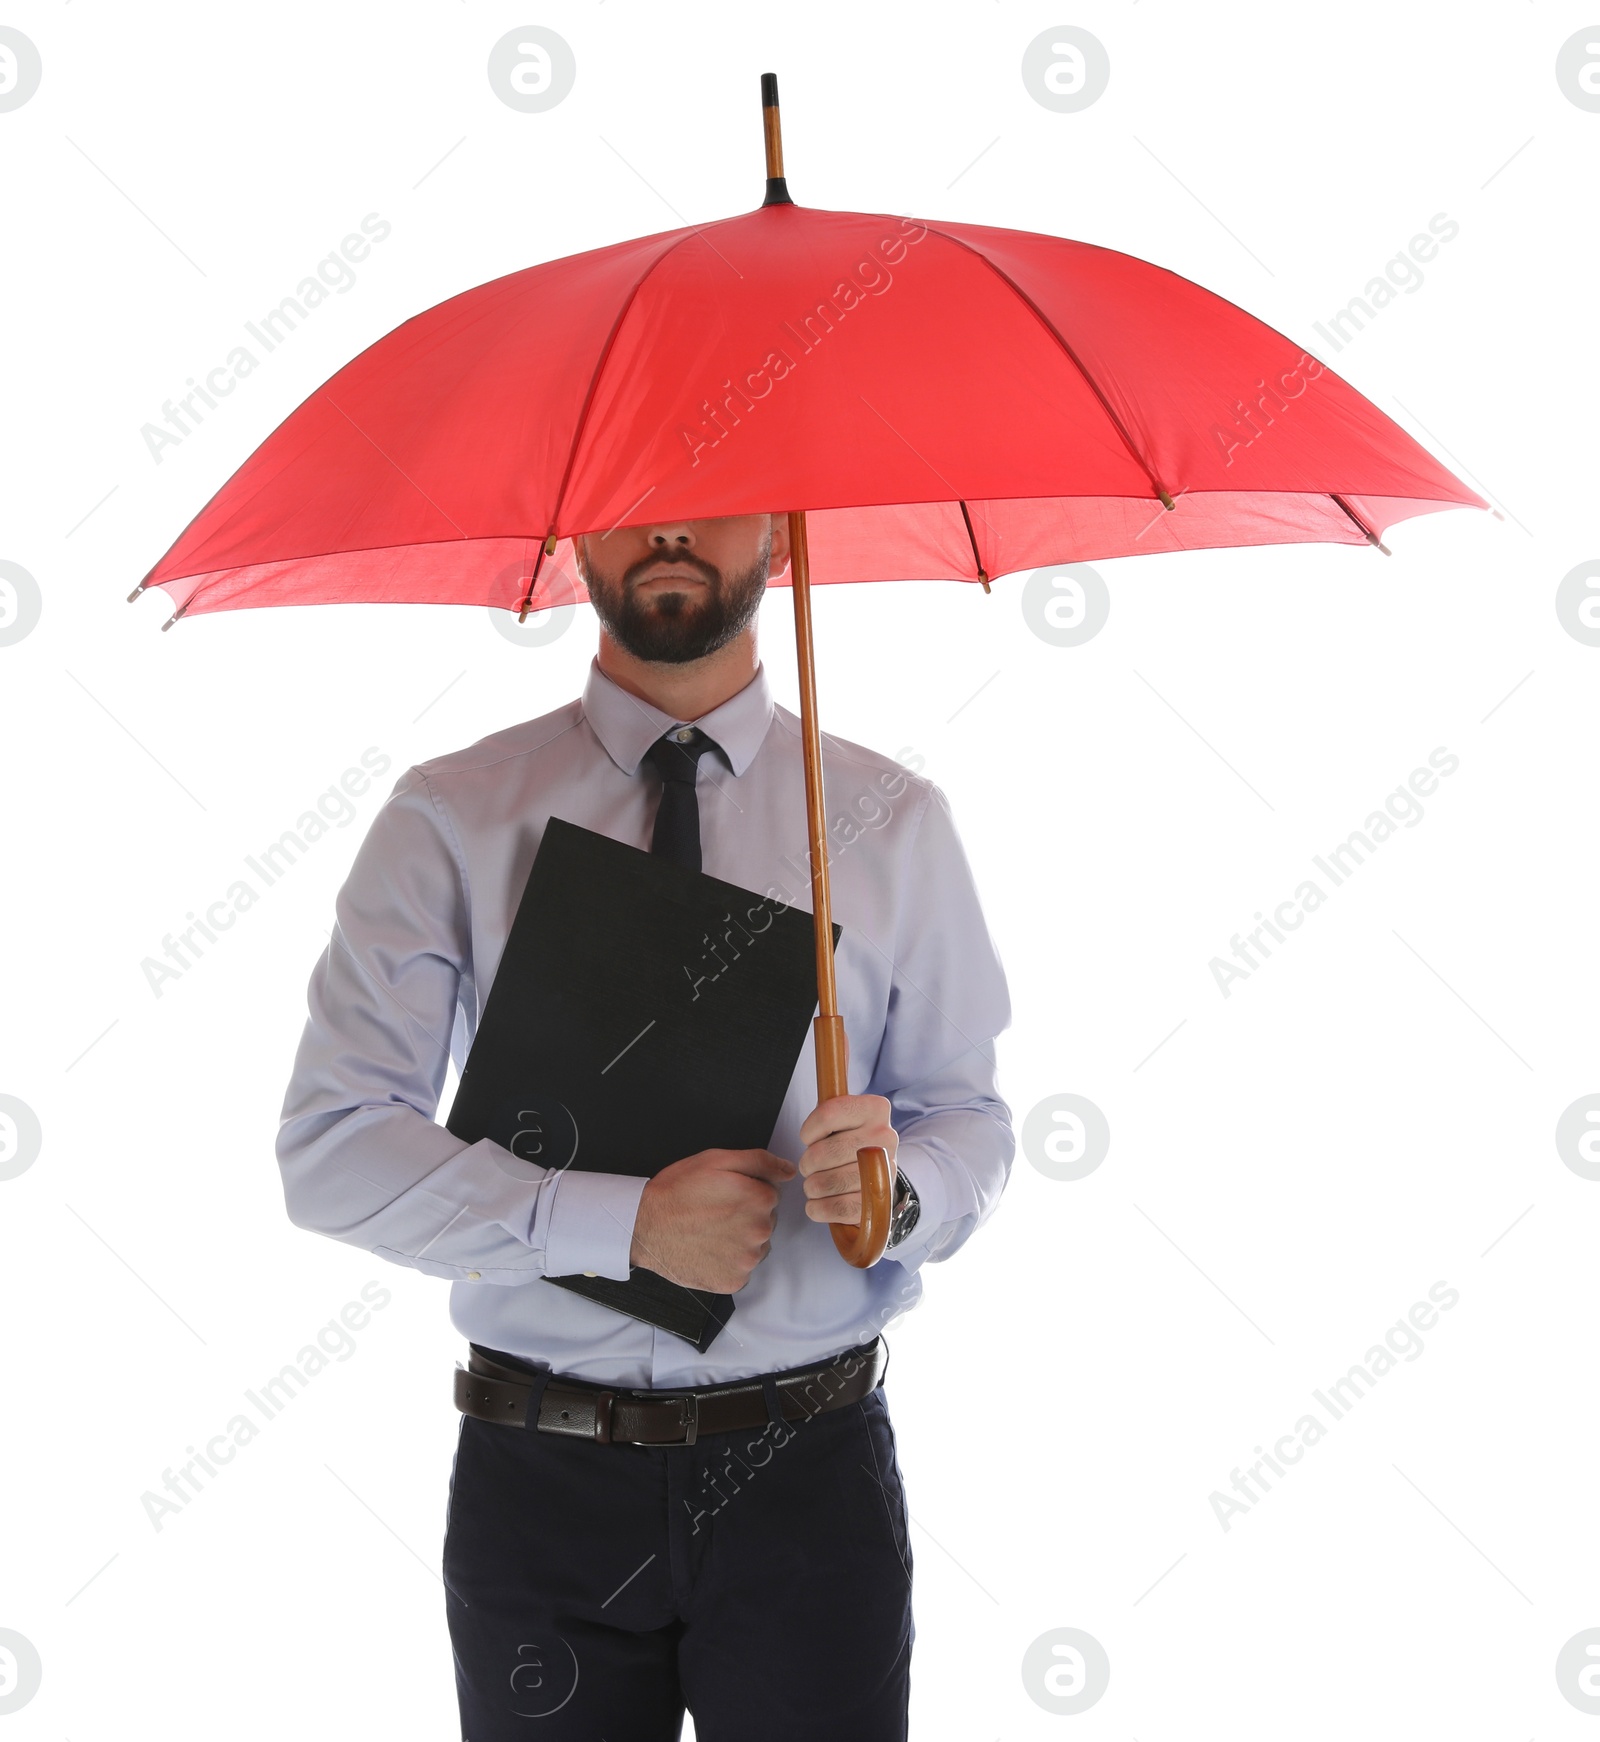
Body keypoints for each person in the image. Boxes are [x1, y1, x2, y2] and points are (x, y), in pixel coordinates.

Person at [275, 512, 1014, 1740]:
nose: (671, 521)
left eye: (713, 485)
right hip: (542, 1478)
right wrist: (623, 1225)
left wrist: (902, 1190)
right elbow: (332, 1151)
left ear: (781, 535)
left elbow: (971, 1118)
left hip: (807, 1479)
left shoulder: (890, 819)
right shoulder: (450, 816)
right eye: (638, 487)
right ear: (576, 533)